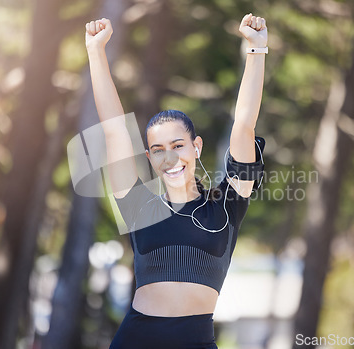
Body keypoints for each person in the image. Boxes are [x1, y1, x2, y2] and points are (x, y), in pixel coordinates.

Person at [85, 12, 267, 349]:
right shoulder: (139, 205)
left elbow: (243, 127)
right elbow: (113, 130)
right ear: (150, 157)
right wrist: (96, 52)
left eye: (178, 146)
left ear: (196, 147)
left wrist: (256, 50)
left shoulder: (226, 205)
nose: (169, 158)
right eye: (158, 150)